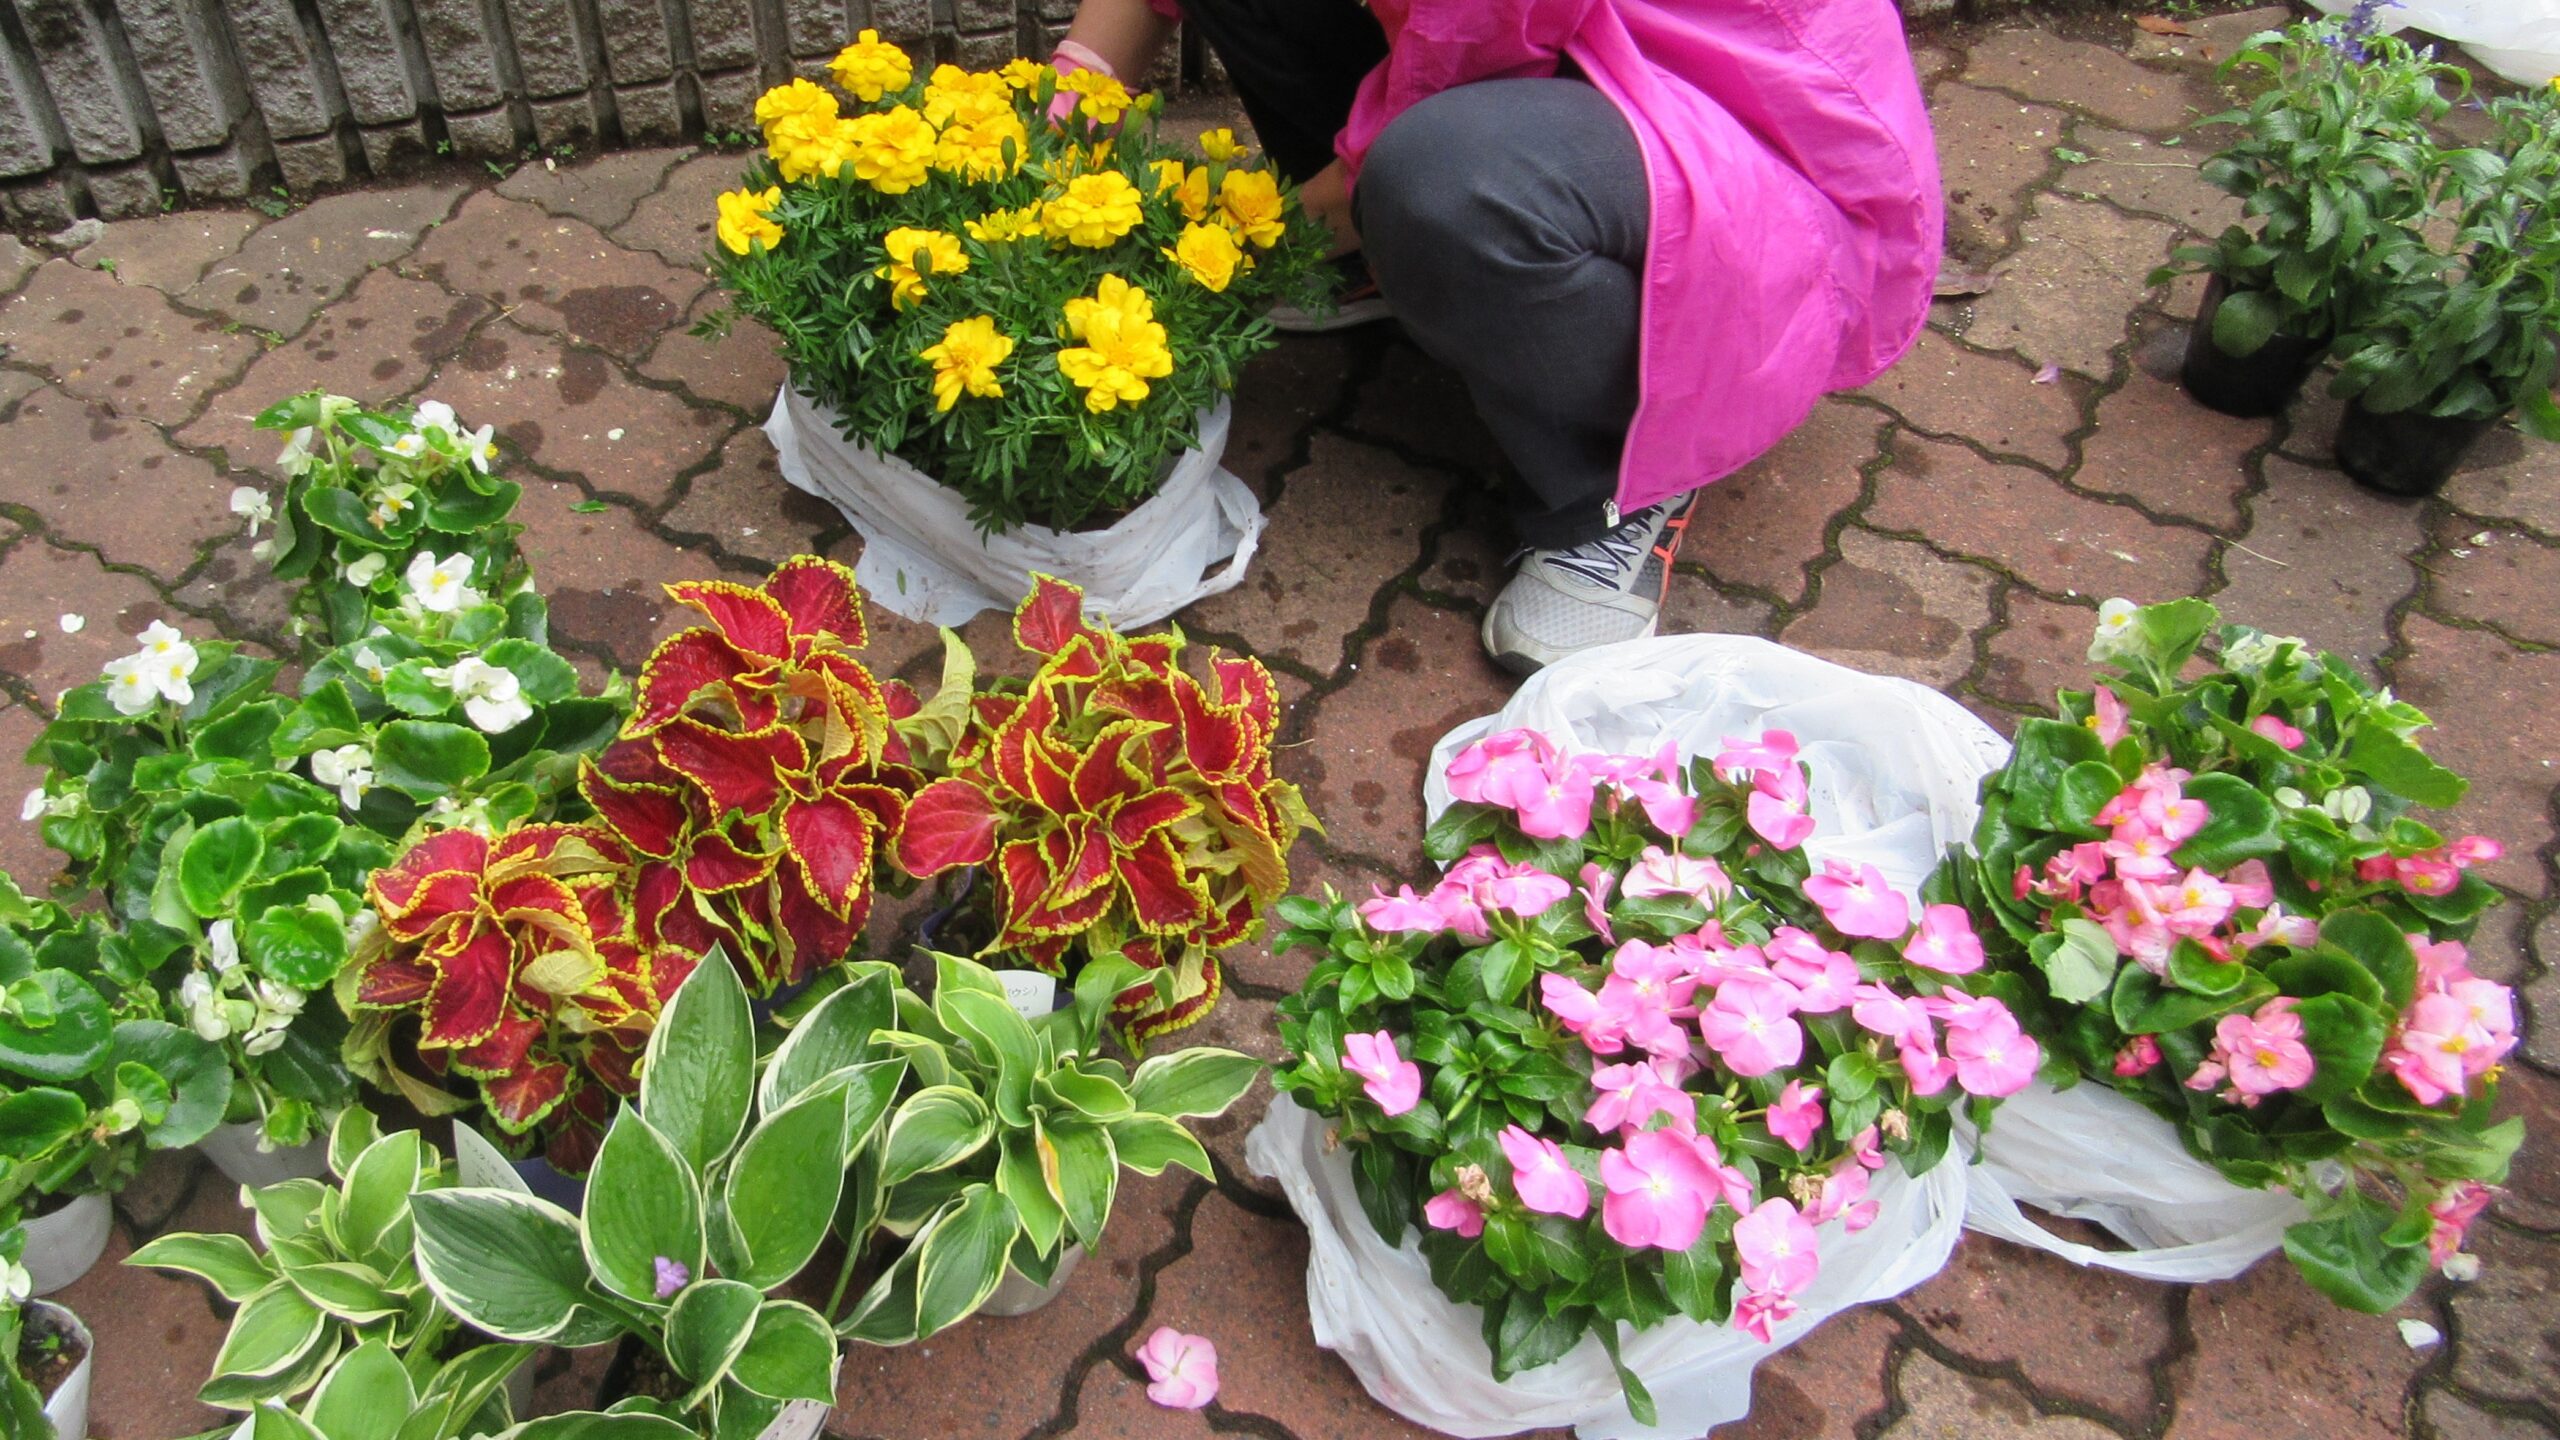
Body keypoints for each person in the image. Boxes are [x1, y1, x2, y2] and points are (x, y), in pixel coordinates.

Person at [1051, 0, 1943, 674]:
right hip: (1544, 51)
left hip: (1745, 124)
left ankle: (1613, 482)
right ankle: (1390, 260)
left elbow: (1447, 76)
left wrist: (1196, 264)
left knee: (1438, 182)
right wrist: (1049, 143)